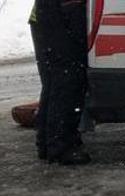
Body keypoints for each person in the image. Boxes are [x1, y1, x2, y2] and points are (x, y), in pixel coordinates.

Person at [29, 0, 91, 165]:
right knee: (67, 83)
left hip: (47, 18)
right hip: (59, 18)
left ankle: (47, 142)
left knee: (54, 84)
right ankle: (60, 146)